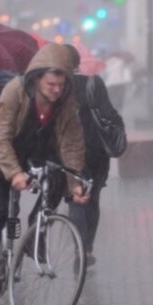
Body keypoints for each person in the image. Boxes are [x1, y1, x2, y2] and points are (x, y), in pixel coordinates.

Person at [0, 43, 90, 305]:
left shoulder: (65, 100)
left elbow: (72, 142)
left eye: (61, 84)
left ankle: (36, 229)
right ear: (37, 78)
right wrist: (14, 173)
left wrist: (75, 182)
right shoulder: (15, 91)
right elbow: (0, 137)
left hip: (30, 152)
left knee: (58, 178)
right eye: (51, 84)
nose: (56, 90)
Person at [64, 44, 121, 266]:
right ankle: (87, 249)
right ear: (78, 63)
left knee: (75, 201)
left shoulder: (57, 87)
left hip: (70, 152)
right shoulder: (93, 83)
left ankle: (80, 249)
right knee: (93, 198)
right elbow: (110, 115)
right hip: (96, 151)